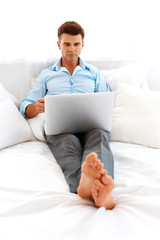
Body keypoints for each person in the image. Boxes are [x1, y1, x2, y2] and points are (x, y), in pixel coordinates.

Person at [20, 21, 115, 210]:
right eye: (67, 44)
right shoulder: (47, 75)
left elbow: (107, 100)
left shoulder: (94, 73)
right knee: (67, 146)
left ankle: (98, 187)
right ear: (59, 45)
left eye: (76, 44)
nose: (72, 49)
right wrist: (35, 107)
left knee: (100, 140)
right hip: (61, 128)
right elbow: (25, 105)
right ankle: (87, 186)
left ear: (82, 45)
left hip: (92, 126)